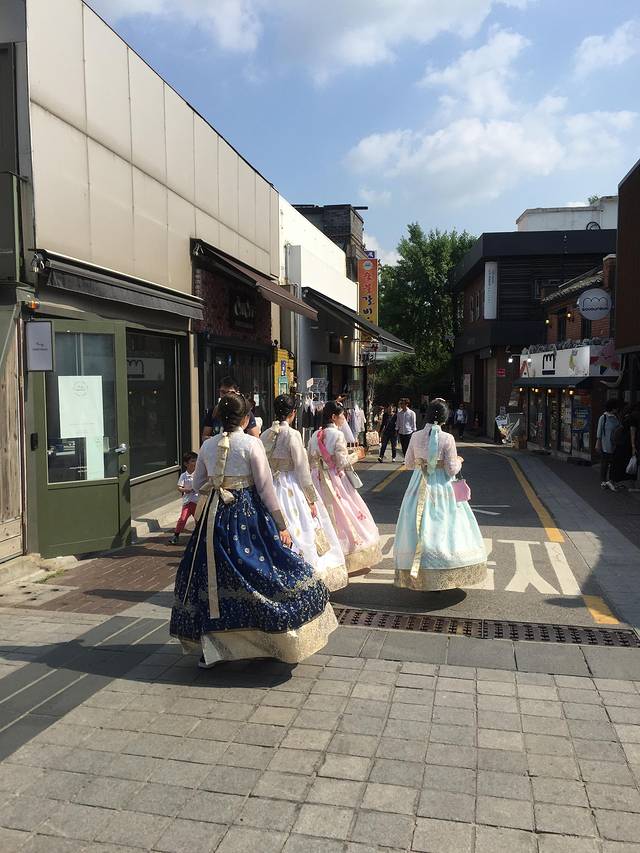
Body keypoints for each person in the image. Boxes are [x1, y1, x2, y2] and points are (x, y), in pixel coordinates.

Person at [170, 394, 337, 667]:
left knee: (212, 578)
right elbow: (265, 487)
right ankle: (265, 638)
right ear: (246, 419)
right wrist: (281, 524)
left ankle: (213, 647)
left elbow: (198, 483)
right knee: (261, 571)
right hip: (247, 517)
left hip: (213, 519)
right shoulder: (251, 444)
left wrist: (217, 485)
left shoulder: (208, 445)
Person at [394, 400, 486, 591]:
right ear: (445, 417)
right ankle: (445, 566)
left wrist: (422, 462)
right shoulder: (447, 438)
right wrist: (459, 460)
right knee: (446, 524)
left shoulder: (415, 436)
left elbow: (409, 464)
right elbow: (452, 469)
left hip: (419, 483)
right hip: (442, 486)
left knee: (418, 524)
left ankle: (417, 567)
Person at [261, 395, 348, 592]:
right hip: (291, 487)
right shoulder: (292, 435)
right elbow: (302, 468)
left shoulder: (265, 434)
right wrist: (310, 499)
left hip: (270, 487)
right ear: (293, 413)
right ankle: (305, 575)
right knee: (304, 527)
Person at [308, 401, 382, 577]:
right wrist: (357, 455)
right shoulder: (337, 435)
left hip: (317, 479)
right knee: (346, 512)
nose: (344, 418)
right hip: (334, 480)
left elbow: (310, 460)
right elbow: (342, 462)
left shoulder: (314, 435)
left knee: (324, 517)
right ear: (334, 417)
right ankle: (349, 554)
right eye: (342, 415)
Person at [201, 376, 260, 441]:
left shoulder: (244, 411)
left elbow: (255, 438)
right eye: (223, 392)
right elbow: (205, 436)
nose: (226, 395)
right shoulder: (213, 411)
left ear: (237, 392)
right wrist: (216, 441)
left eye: (230, 392)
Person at [169, 452, 199, 545]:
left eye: (196, 461)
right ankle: (176, 536)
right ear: (186, 464)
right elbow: (179, 487)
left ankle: (199, 537)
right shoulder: (183, 476)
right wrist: (185, 490)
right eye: (192, 461)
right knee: (182, 519)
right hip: (188, 502)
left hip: (197, 502)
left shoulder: (198, 474)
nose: (195, 463)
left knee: (198, 520)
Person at [596, 399, 621, 491]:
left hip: (614, 444)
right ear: (613, 408)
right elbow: (599, 431)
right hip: (605, 444)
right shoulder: (603, 417)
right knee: (604, 463)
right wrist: (598, 443)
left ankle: (610, 481)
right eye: (616, 407)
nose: (617, 409)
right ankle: (603, 481)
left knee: (613, 464)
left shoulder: (615, 418)